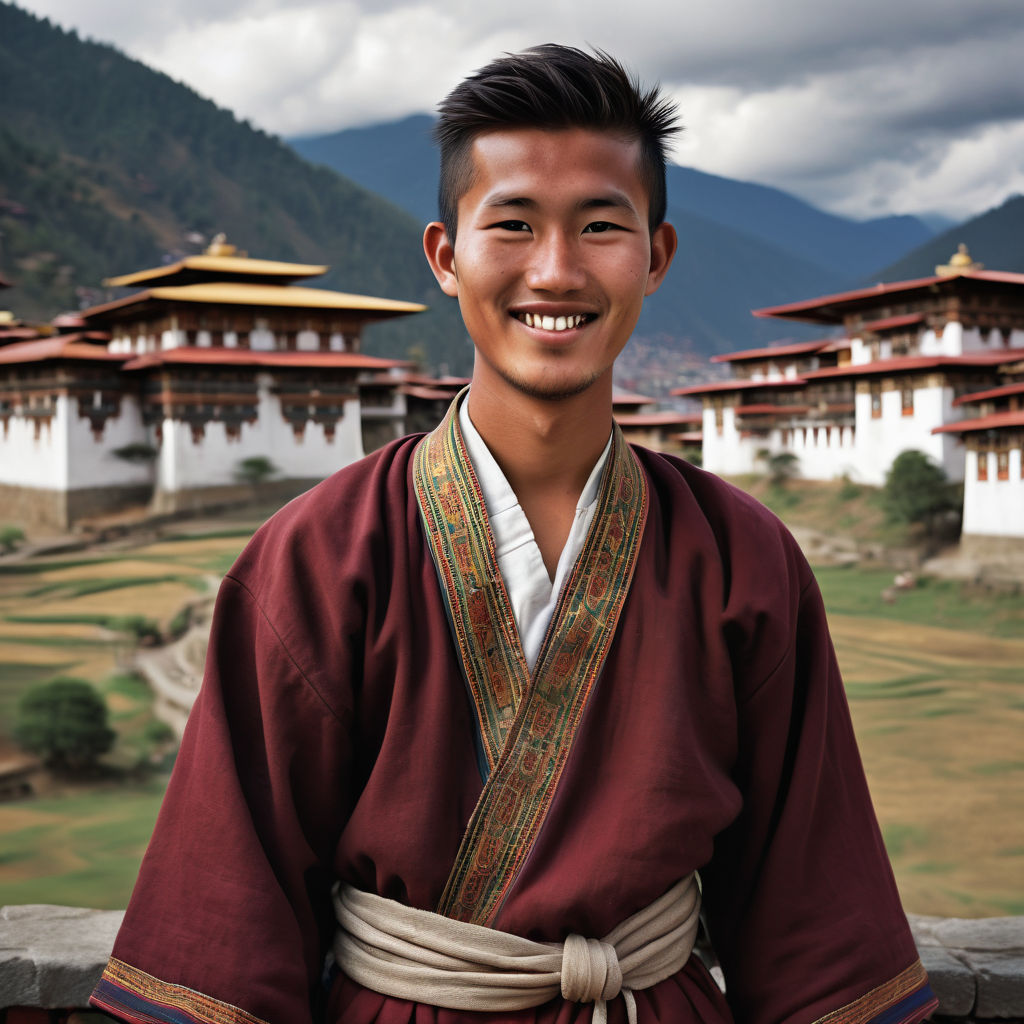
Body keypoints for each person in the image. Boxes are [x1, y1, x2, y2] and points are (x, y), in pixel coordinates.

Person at [90, 45, 938, 1024]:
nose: (555, 269)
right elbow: (223, 916)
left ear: (655, 257)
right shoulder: (320, 555)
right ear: (445, 257)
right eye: (513, 224)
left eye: (599, 226)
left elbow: (815, 913)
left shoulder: (741, 560)